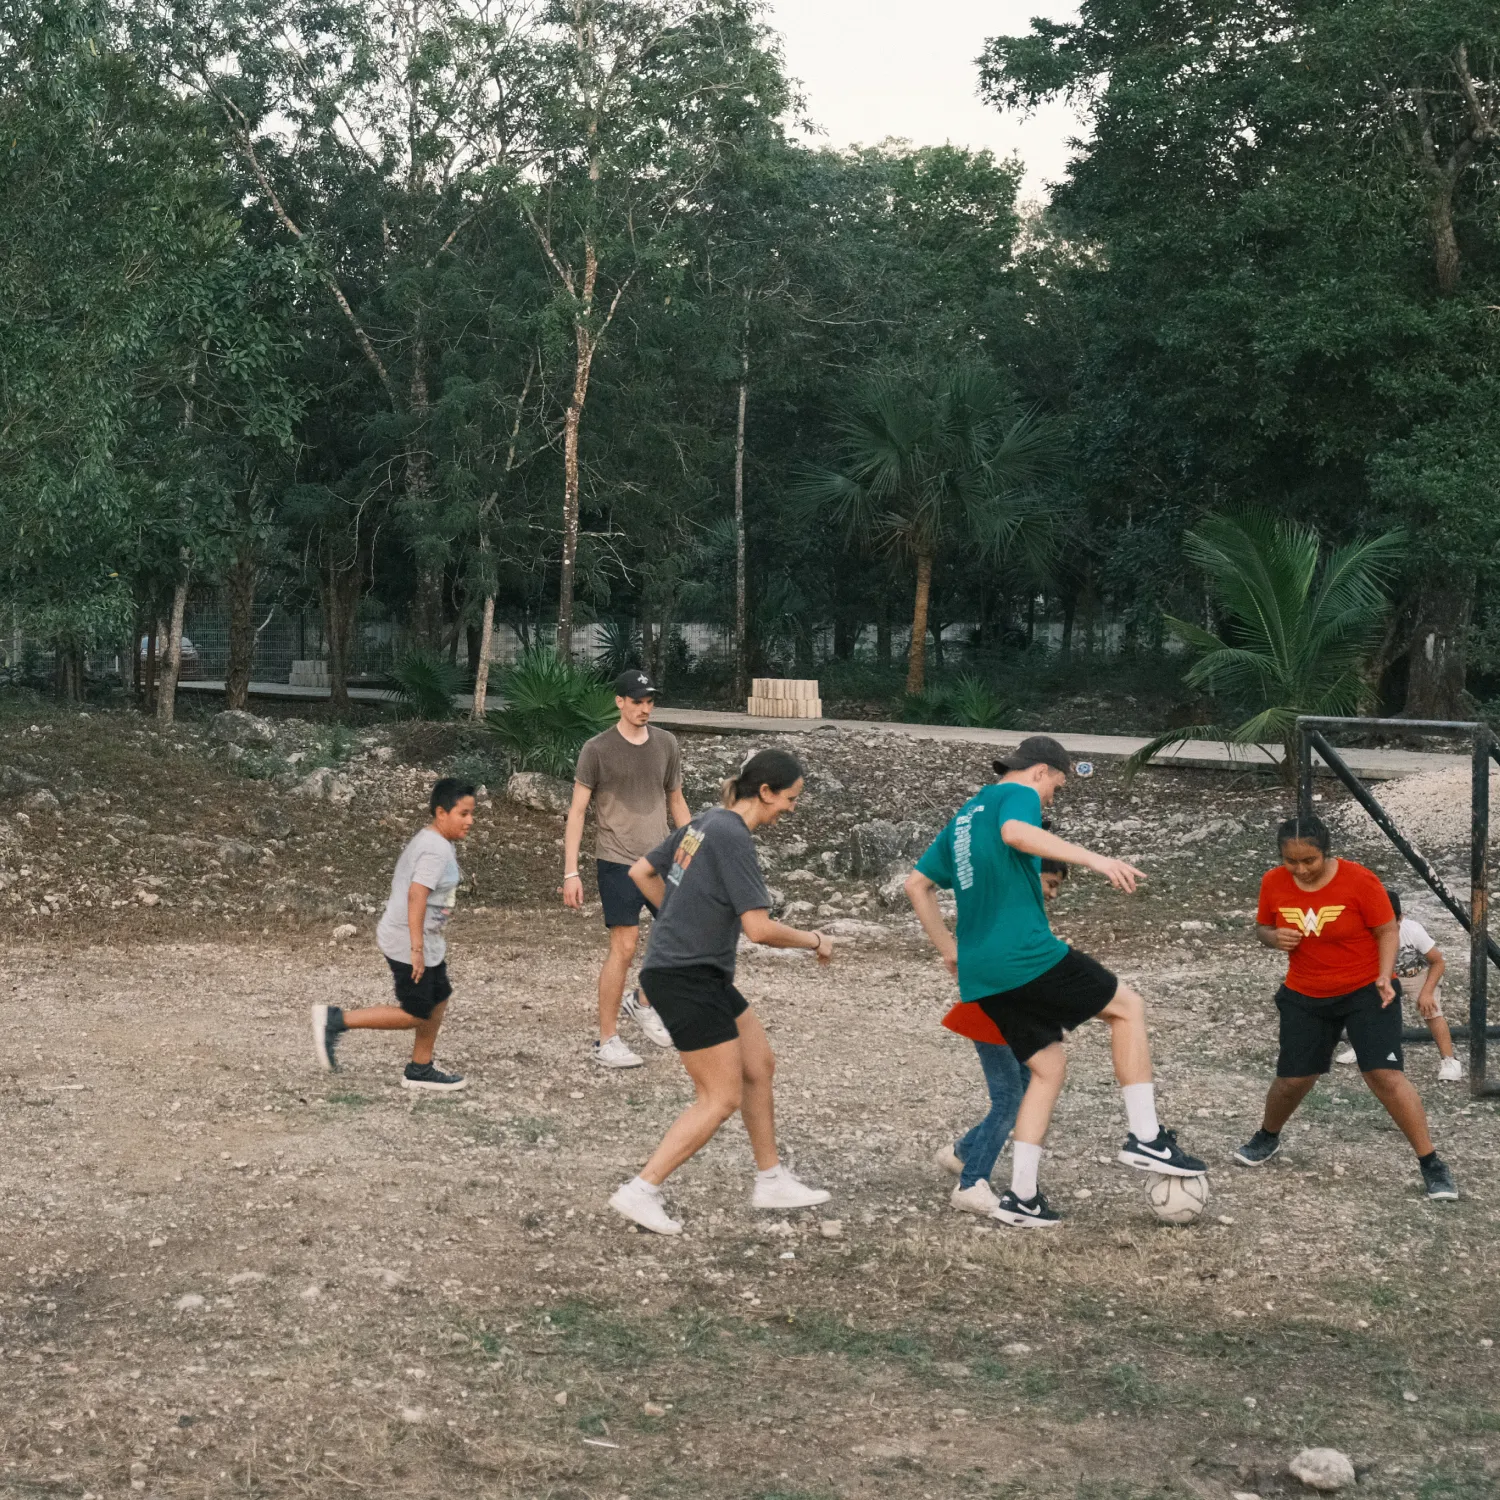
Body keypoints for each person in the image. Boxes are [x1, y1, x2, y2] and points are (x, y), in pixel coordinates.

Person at [907, 735, 1205, 1230]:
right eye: (1057, 788)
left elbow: (916, 884)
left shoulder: (964, 816)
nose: (1051, 799)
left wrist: (949, 951)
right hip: (1023, 953)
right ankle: (1147, 1139)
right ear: (1041, 771)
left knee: (1047, 1068)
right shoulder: (1015, 793)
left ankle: (1022, 1197)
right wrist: (1097, 859)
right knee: (1127, 1007)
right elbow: (1018, 835)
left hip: (983, 973)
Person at [606, 749, 836, 1236]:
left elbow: (642, 873)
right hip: (684, 977)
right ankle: (640, 1190)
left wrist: (680, 917)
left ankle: (771, 1178)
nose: (791, 810)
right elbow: (758, 928)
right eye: (790, 799)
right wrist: (815, 939)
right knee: (719, 1096)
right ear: (766, 791)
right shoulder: (733, 836)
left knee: (759, 1065)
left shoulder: (707, 821)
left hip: (699, 971)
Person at [1234, 817, 1458, 1199]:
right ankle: (1267, 1137)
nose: (1301, 869)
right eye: (1292, 861)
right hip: (1304, 994)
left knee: (1383, 1075)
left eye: (1310, 860)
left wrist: (1385, 976)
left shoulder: (1359, 880)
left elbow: (1387, 929)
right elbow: (1261, 928)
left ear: (1327, 851)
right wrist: (1273, 937)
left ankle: (1432, 1163)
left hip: (1365, 991)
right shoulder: (1273, 882)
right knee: (1293, 1079)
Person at [311, 777, 476, 1092]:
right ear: (441, 813)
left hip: (426, 942)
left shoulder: (437, 841)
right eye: (463, 814)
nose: (470, 821)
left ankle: (420, 1067)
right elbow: (417, 895)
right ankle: (336, 1020)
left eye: (471, 813)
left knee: (439, 997)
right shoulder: (436, 850)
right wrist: (416, 950)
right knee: (415, 1013)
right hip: (408, 942)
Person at [564, 668, 691, 1068]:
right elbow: (578, 811)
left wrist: (693, 852)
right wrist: (571, 872)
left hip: (660, 861)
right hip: (616, 860)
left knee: (681, 937)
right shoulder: (596, 749)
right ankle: (607, 1041)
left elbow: (677, 801)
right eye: (637, 701)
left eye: (650, 701)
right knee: (624, 945)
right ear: (619, 702)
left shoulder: (667, 744)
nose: (645, 708)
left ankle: (643, 999)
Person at [932, 859, 1067, 1215]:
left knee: (1023, 1091)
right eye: (1050, 883)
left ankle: (962, 1152)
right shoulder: (1008, 910)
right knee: (1009, 1100)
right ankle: (971, 1183)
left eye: (1057, 888)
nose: (1053, 894)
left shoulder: (1019, 913)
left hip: (1007, 1015)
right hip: (991, 1015)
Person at [1335, 888, 1460, 1082]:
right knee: (1363, 1005)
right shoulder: (1365, 931)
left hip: (1417, 974)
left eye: (1387, 921)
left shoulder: (1413, 931)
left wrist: (1427, 993)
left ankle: (1449, 1060)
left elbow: (1438, 962)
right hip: (1384, 974)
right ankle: (1362, 1047)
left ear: (1400, 918)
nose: (1380, 927)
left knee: (1431, 1010)